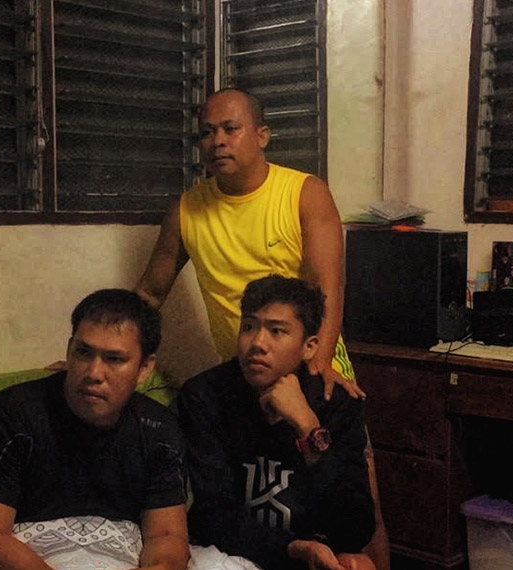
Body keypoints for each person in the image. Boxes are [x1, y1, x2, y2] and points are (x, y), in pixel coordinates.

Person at [136, 88, 389, 570]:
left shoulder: (302, 192)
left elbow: (326, 287)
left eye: (230, 129)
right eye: (207, 132)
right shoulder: (187, 210)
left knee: (358, 518)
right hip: (242, 379)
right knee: (266, 502)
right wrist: (111, 345)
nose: (217, 141)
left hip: (316, 368)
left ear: (262, 135)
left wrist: (314, 375)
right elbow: (150, 292)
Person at [0, 289, 189, 570]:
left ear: (144, 368)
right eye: (83, 352)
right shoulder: (9, 415)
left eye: (114, 359)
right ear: (68, 348)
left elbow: (167, 535)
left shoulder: (158, 430)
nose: (93, 373)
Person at [177, 275, 376, 570]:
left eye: (276, 331)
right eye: (249, 327)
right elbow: (212, 516)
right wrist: (291, 548)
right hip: (237, 553)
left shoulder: (335, 403)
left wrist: (308, 425)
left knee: (358, 564)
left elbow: (355, 528)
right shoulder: (205, 397)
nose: (257, 343)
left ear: (309, 347)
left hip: (315, 555)